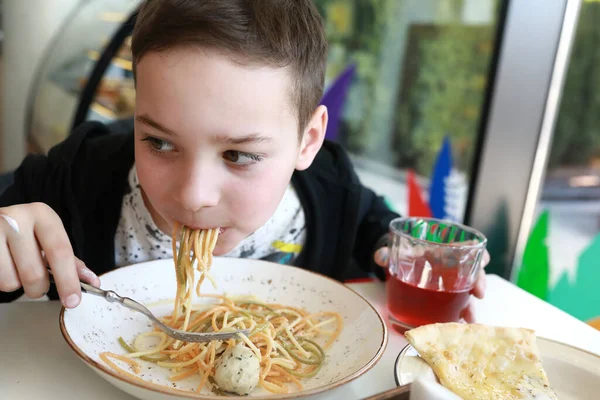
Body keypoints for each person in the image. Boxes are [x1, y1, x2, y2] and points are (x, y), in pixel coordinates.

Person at [0, 0, 487, 320]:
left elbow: (372, 221)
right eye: (160, 143)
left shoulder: (331, 189)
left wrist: (400, 251)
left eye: (239, 154)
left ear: (307, 141)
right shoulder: (79, 175)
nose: (193, 196)